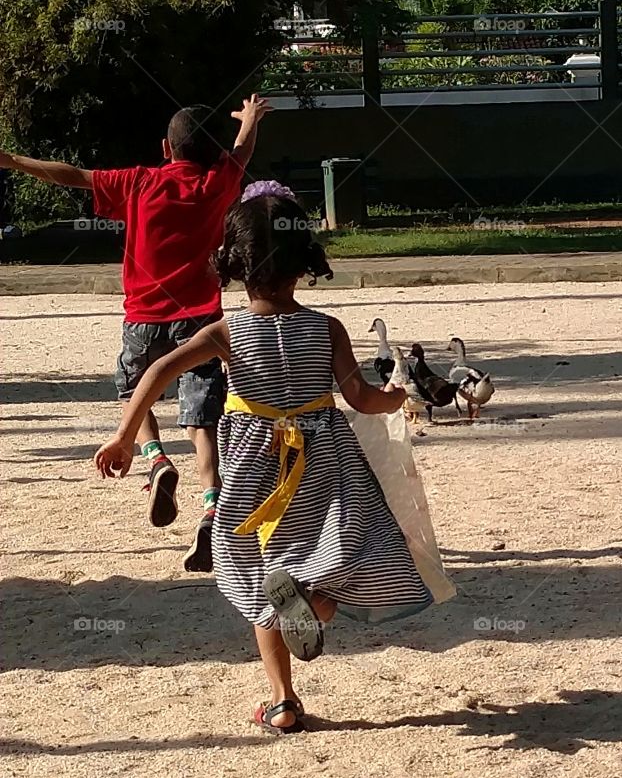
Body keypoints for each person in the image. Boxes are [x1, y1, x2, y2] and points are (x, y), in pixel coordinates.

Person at [94, 183, 434, 735]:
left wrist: (126, 436)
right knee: (338, 555)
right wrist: (402, 395)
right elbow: (362, 399)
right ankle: (316, 603)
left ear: (231, 264)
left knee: (258, 575)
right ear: (305, 265)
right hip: (325, 465)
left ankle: (282, 701)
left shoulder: (226, 331)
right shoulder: (327, 328)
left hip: (255, 468)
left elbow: (157, 371)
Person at [0, 95, 271, 571]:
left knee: (136, 391)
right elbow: (243, 151)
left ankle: (155, 457)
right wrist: (249, 119)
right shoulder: (218, 182)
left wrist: (12, 160)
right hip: (202, 320)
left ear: (167, 148)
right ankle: (211, 503)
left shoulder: (140, 181)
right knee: (201, 417)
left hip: (143, 317)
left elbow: (73, 175)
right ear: (214, 154)